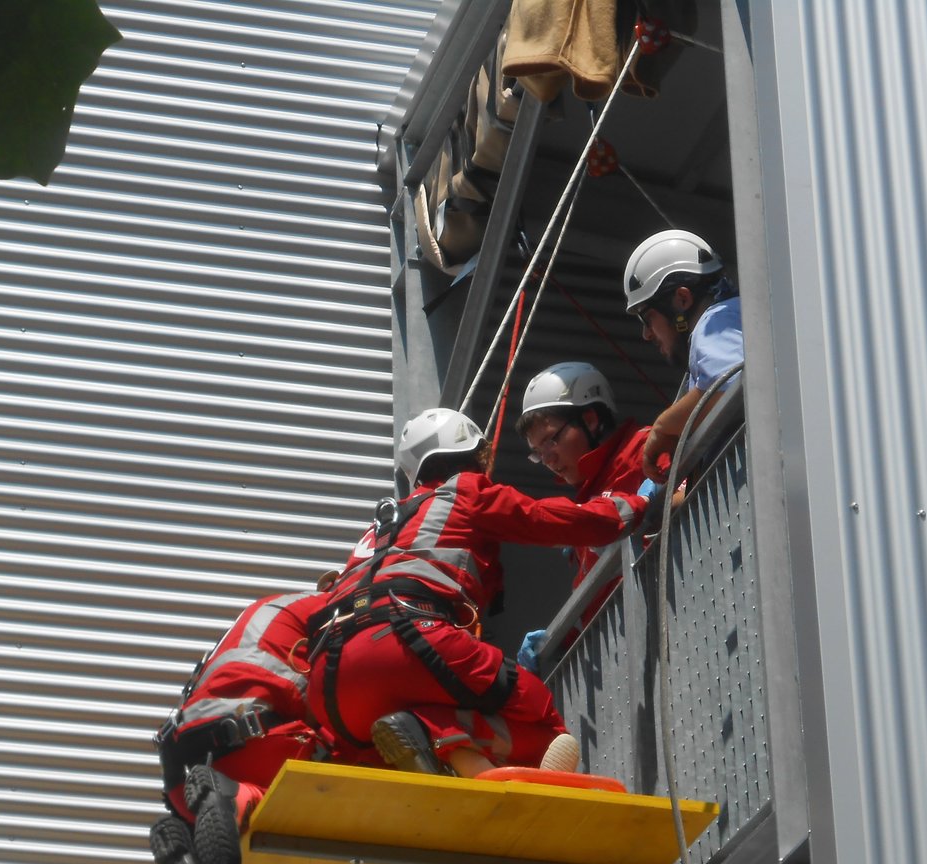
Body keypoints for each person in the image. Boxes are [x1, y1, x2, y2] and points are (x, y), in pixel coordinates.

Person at [306, 407, 648, 779]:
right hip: (408, 639)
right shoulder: (464, 492)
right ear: (469, 458)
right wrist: (633, 506)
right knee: (541, 724)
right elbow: (548, 520)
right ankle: (435, 733)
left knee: (388, 752)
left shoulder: (376, 532)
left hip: (330, 682)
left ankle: (439, 747)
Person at [148, 588, 329, 864]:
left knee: (224, 822)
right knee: (338, 764)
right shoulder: (336, 607)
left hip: (196, 749)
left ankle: (191, 848)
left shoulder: (263, 611)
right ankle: (236, 799)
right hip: (260, 734)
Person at [513, 361, 654, 671]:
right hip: (626, 657)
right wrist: (560, 638)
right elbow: (594, 599)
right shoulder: (587, 505)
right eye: (538, 452)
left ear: (590, 420)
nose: (547, 460)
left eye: (551, 440)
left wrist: (651, 505)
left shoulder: (645, 449)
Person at [623, 229, 744, 480]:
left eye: (647, 318)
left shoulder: (715, 321)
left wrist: (663, 426)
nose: (646, 334)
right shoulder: (734, 314)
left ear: (682, 299)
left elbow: (733, 383)